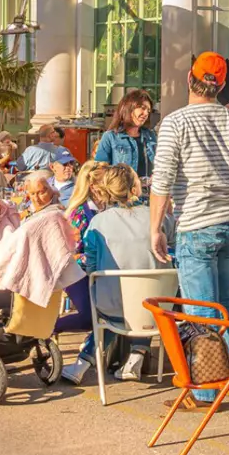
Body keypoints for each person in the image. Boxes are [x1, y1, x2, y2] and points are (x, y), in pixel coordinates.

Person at [150, 52, 229, 356]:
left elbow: (162, 179)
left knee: (203, 313)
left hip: (196, 223)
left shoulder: (175, 122)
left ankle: (210, 390)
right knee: (226, 304)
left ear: (189, 79)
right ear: (220, 86)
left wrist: (155, 228)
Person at [63, 163, 158, 383]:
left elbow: (92, 265)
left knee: (111, 310)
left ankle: (82, 362)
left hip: (112, 303)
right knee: (142, 306)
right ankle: (136, 355)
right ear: (135, 188)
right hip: (154, 305)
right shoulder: (154, 217)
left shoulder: (98, 222)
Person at [94, 91, 157, 178]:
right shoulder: (110, 137)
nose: (146, 113)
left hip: (148, 190)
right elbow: (99, 171)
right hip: (122, 190)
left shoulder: (150, 136)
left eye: (148, 110)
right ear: (128, 108)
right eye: (142, 108)